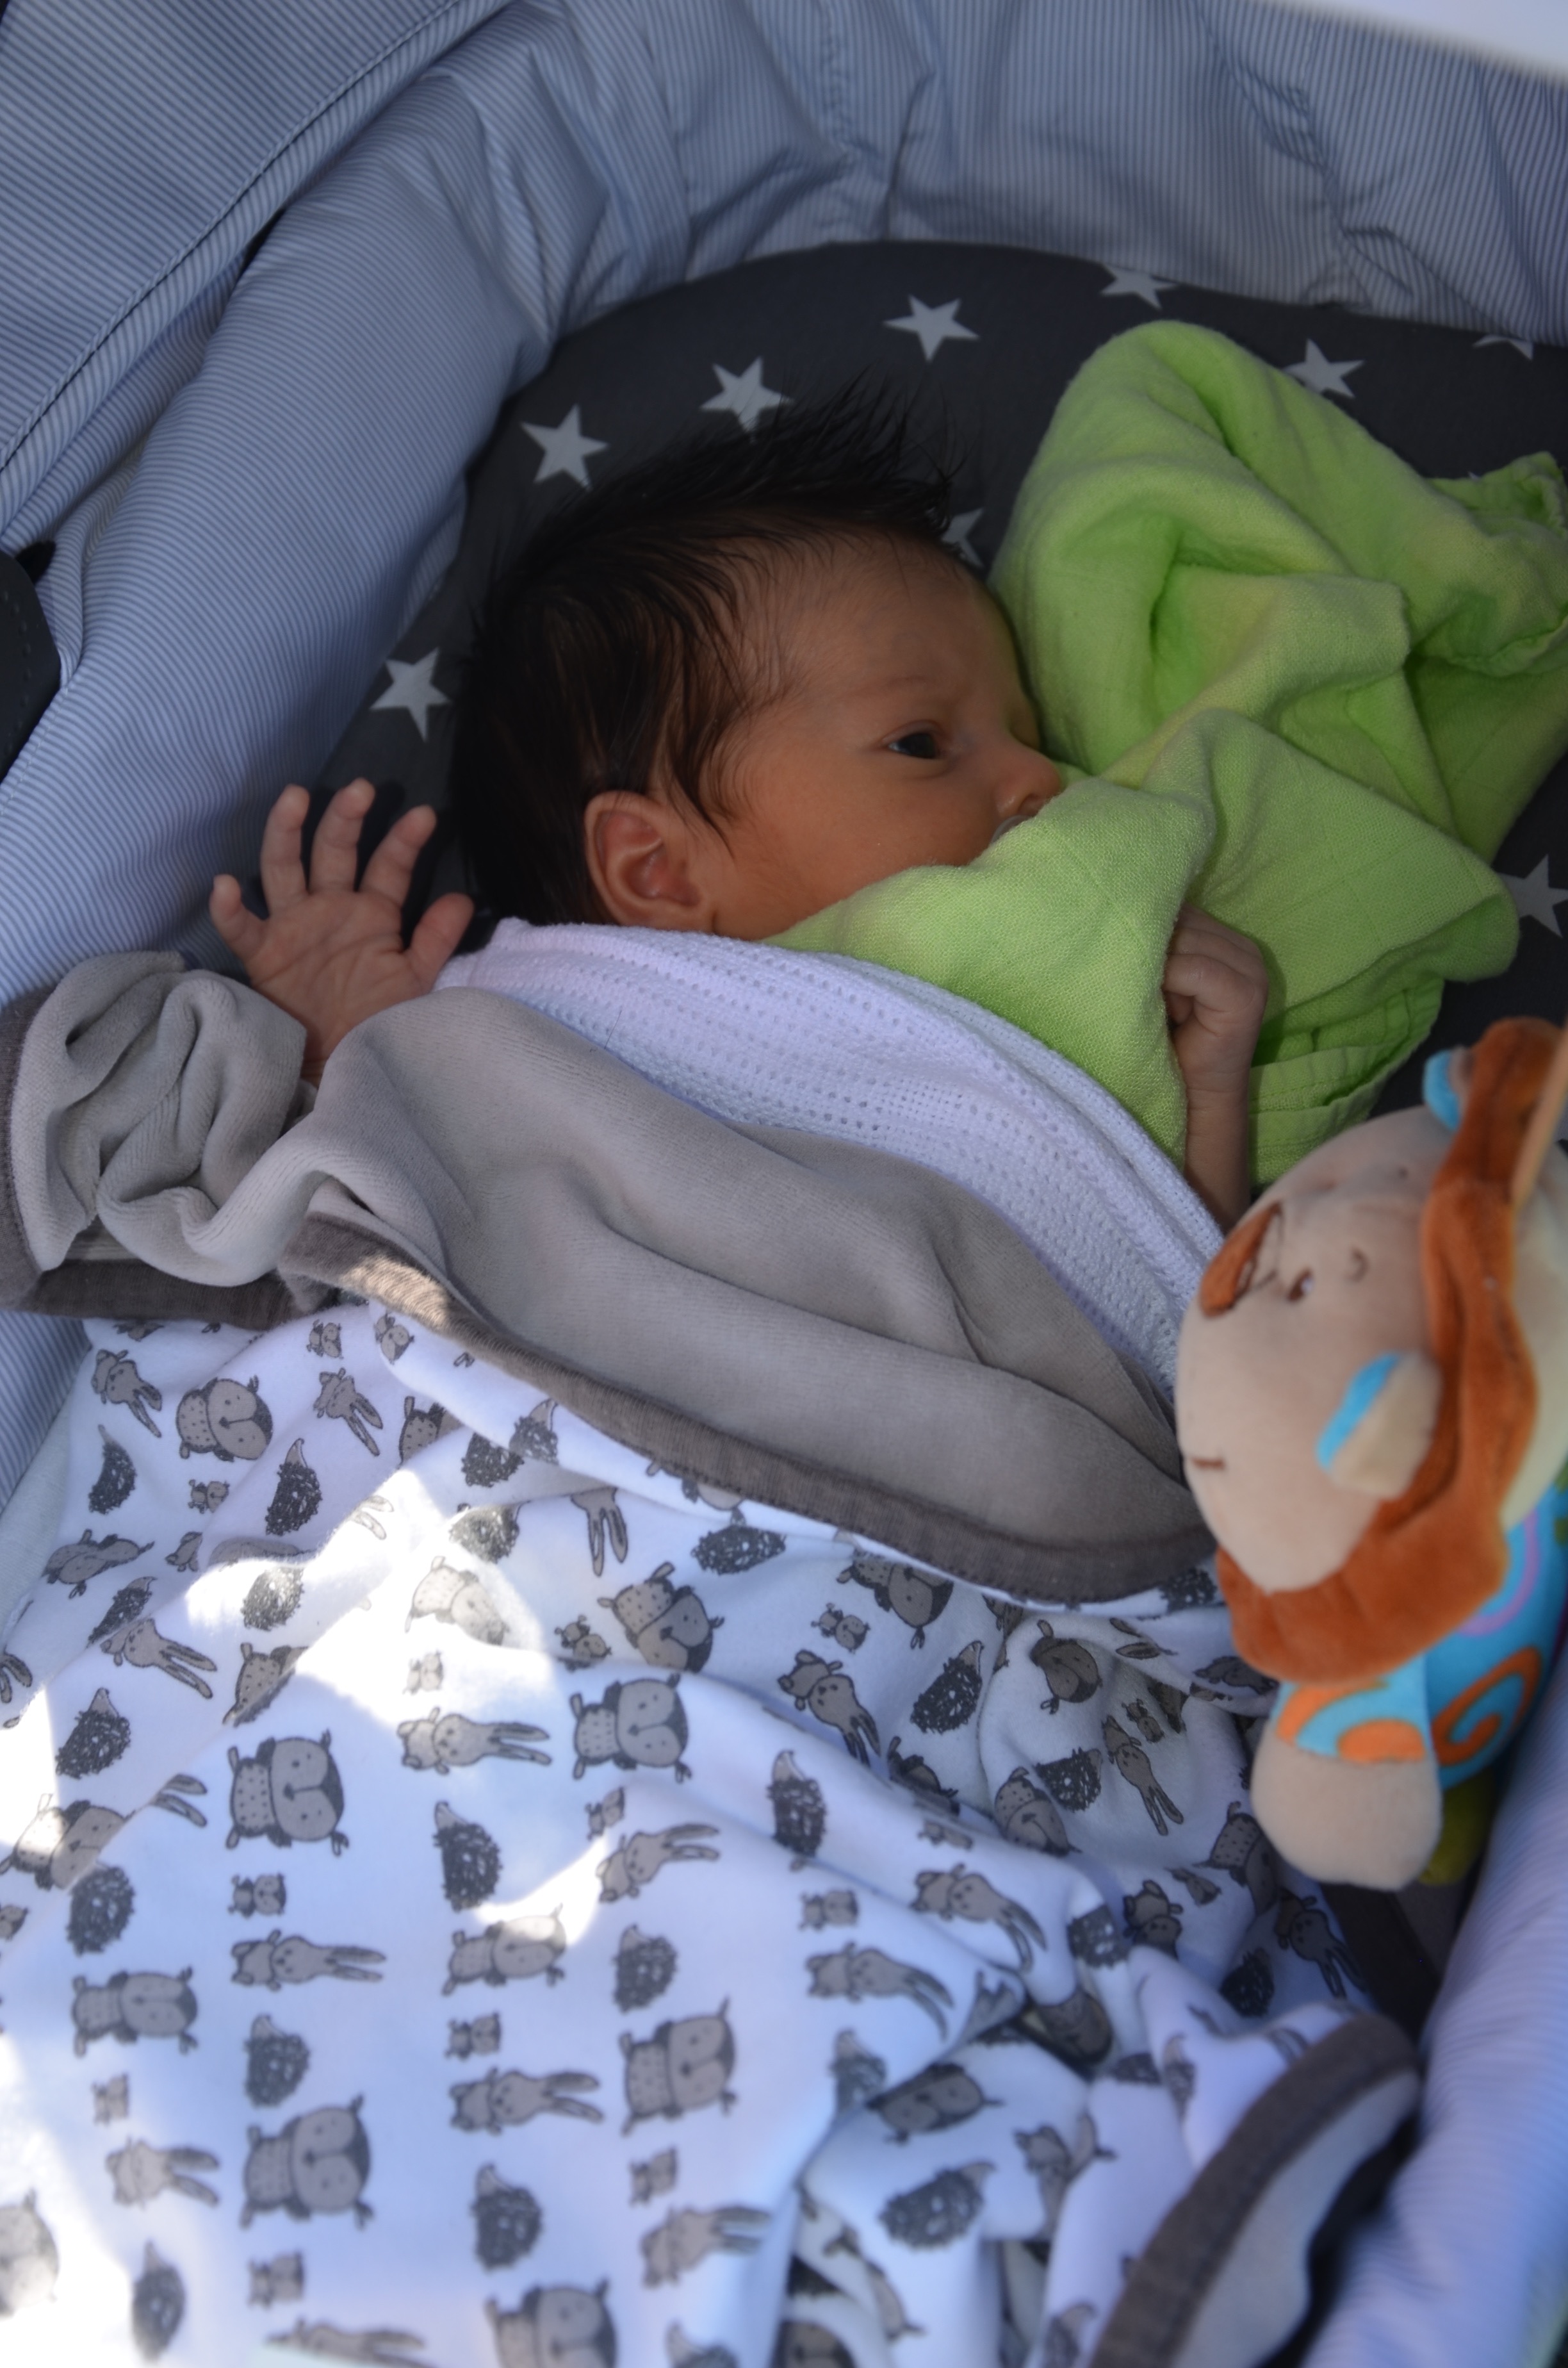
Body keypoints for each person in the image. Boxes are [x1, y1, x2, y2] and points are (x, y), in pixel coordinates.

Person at [211, 397, 1267, 1228]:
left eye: (1028, 733)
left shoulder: (1048, 998)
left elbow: (1161, 1322)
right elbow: (368, 1219)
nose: (1043, 777)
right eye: (921, 742)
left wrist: (1210, 1092)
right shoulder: (536, 1026)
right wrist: (341, 1051)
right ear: (657, 871)